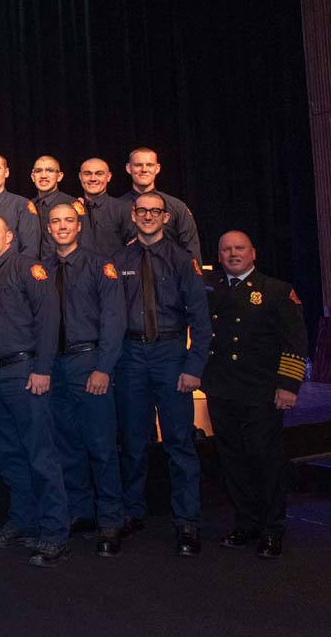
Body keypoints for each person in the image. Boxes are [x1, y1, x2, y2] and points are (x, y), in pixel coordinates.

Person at [112, 192, 211, 556]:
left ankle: (187, 520)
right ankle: (132, 512)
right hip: (131, 355)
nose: (149, 216)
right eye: (143, 211)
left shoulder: (184, 261)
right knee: (133, 441)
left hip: (171, 355)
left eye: (156, 211)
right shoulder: (119, 260)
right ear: (134, 215)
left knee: (179, 442)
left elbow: (201, 321)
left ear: (166, 217)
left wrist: (194, 367)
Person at [204, 230, 307, 559]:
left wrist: (288, 386)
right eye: (226, 250)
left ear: (253, 253)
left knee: (265, 461)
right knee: (233, 461)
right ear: (219, 256)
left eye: (239, 248)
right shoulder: (211, 289)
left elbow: (294, 343)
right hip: (222, 389)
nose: (233, 254)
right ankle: (245, 522)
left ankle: (272, 528)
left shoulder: (277, 291)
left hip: (261, 391)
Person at [0, 214, 70, 567]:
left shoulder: (26, 268)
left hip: (25, 371)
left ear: (10, 236)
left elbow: (48, 318)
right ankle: (24, 519)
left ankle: (55, 532)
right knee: (9, 454)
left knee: (41, 454)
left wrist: (43, 368)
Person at [43, 204, 127, 558]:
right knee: (67, 445)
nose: (62, 227)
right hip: (55, 367)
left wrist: (103, 368)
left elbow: (113, 320)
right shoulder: (42, 269)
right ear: (48, 229)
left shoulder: (99, 265)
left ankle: (111, 518)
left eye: (68, 222)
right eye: (56, 222)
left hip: (87, 362)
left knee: (101, 445)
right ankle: (82, 511)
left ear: (79, 226)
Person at [120, 147, 202, 262]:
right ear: (129, 168)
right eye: (138, 165)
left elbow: (191, 251)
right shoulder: (116, 208)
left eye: (149, 165)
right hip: (127, 274)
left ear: (157, 168)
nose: (144, 169)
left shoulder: (177, 206)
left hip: (170, 275)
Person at [30, 156, 87, 260]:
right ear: (33, 176)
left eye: (49, 170)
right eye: (38, 171)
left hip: (64, 268)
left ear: (59, 176)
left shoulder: (73, 204)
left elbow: (84, 241)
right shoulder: (28, 206)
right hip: (33, 268)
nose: (43, 175)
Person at [76, 158, 135, 259]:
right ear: (80, 177)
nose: (93, 178)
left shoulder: (123, 208)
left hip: (114, 271)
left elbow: (133, 247)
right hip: (77, 272)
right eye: (87, 174)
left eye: (99, 174)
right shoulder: (71, 210)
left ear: (108, 177)